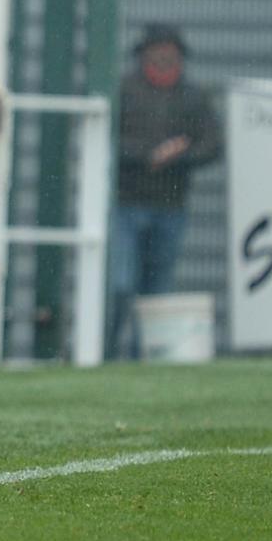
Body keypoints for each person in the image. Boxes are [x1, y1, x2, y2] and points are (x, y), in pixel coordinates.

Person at [109, 24, 222, 359]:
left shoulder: (194, 95)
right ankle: (105, 351)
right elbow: (107, 140)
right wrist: (148, 156)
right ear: (144, 52)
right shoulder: (123, 90)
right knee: (120, 285)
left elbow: (213, 145)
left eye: (169, 48)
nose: (163, 54)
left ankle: (143, 357)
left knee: (156, 292)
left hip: (171, 207)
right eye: (157, 48)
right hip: (125, 204)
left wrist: (179, 157)